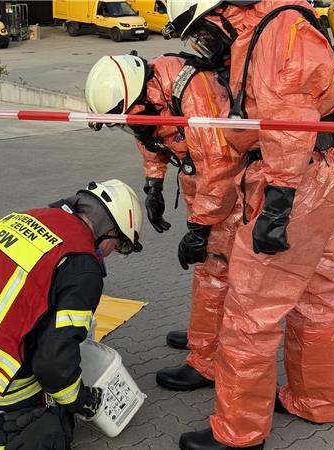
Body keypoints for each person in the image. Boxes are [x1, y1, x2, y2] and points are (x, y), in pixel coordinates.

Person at [166, 0, 334, 448]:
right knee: (314, 295)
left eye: (204, 30)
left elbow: (287, 118)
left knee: (250, 311)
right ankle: (315, 400)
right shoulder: (275, 26)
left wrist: (278, 202)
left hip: (293, 181)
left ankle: (239, 434)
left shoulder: (274, 30)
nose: (205, 45)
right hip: (319, 172)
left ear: (220, 10)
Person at [0, 179, 144, 450]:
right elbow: (52, 364)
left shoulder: (23, 218)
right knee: (54, 427)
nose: (113, 252)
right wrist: (80, 399)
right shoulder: (82, 265)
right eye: (119, 245)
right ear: (109, 231)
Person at [85, 53, 247, 391]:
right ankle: (203, 336)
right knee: (206, 271)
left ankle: (207, 364)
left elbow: (221, 165)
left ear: (137, 96)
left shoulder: (189, 89)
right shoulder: (146, 97)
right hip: (203, 187)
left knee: (217, 271)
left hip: (228, 192)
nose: (126, 124)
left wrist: (200, 228)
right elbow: (150, 138)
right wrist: (154, 187)